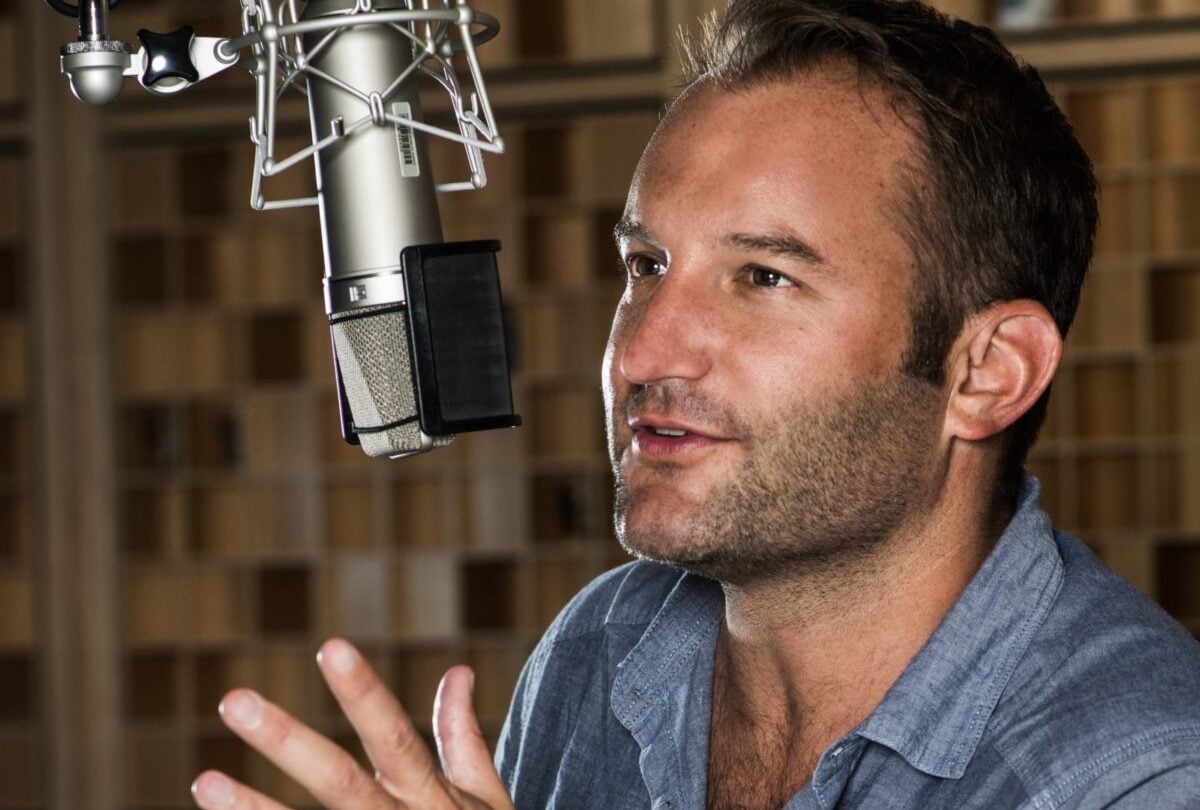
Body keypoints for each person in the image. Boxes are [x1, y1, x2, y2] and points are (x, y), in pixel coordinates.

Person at [189, 0, 1200, 808]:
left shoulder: (1138, 774)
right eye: (646, 263)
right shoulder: (602, 650)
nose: (641, 348)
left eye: (763, 277)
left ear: (988, 372)